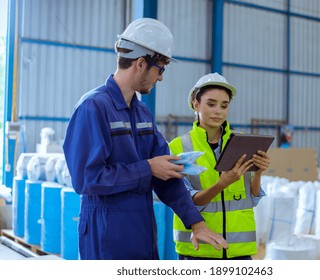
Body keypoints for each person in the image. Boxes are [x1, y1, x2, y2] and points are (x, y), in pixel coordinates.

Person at [62, 18, 227, 260]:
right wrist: (147, 168)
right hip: (106, 231)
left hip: (142, 228)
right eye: (160, 69)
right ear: (141, 63)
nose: (160, 78)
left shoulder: (142, 113)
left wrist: (196, 223)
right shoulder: (94, 107)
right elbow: (87, 179)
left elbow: (167, 172)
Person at [169, 73, 271, 260]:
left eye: (224, 106)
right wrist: (222, 184)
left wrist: (258, 172)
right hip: (199, 251)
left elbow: (253, 198)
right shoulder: (177, 147)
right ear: (196, 104)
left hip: (239, 251)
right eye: (211, 104)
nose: (218, 111)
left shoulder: (242, 142)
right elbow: (186, 201)